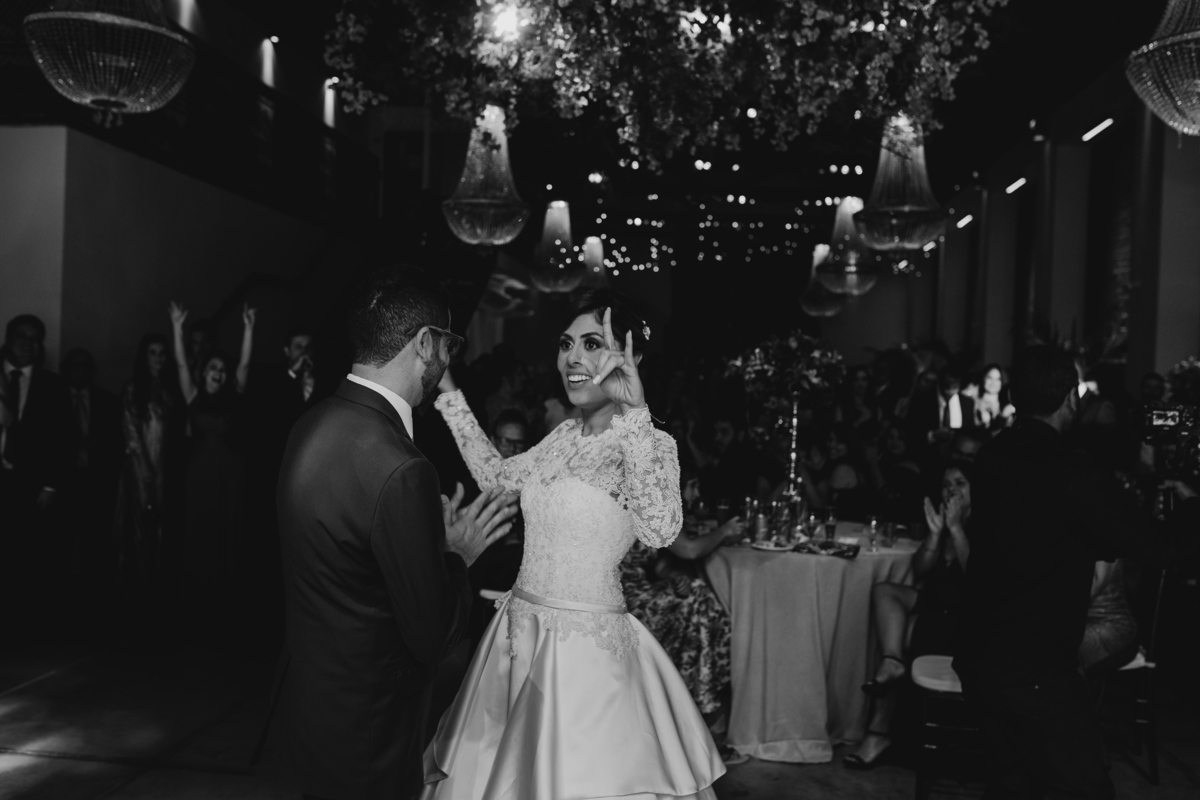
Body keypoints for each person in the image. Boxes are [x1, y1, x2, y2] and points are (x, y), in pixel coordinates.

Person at [424, 289, 724, 800]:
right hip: (518, 637)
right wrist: (447, 390)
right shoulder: (562, 435)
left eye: (593, 344)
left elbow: (661, 529)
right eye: (567, 345)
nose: (574, 359)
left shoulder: (648, 443)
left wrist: (636, 415)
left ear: (632, 359)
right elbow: (497, 475)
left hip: (586, 657)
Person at [256, 267, 517, 800]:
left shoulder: (311, 423)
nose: (448, 360)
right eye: (449, 345)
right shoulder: (402, 467)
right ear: (424, 344)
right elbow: (432, 634)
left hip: (302, 715)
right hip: (367, 737)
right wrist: (456, 555)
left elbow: (345, 568)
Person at [953, 346, 1200, 800]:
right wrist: (1190, 507)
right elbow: (1160, 549)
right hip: (1035, 670)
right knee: (1083, 789)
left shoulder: (992, 456)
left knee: (1013, 786)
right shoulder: (1074, 472)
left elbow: (1041, 533)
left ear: (1011, 394)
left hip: (979, 657)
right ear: (1072, 397)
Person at [845, 463, 972, 770]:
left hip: (967, 617)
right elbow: (920, 570)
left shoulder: (986, 524)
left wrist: (955, 530)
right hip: (936, 606)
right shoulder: (942, 522)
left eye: (960, 483)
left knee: (905, 631)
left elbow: (977, 580)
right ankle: (892, 662)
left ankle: (878, 733)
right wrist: (935, 533)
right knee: (884, 593)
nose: (951, 489)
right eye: (945, 484)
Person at [171, 302, 257, 636]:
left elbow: (246, 363)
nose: (218, 372)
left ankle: (224, 609)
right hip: (200, 474)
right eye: (213, 367)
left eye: (223, 368)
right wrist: (177, 327)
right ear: (204, 371)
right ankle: (196, 608)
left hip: (231, 473)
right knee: (200, 533)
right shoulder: (192, 396)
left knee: (226, 533)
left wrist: (249, 326)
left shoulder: (234, 395)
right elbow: (179, 362)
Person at [0, 314, 73, 631]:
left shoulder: (53, 385)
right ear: (8, 339)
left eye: (35, 338)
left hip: (29, 483)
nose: (28, 343)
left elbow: (63, 440)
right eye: (22, 336)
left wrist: (52, 485)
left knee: (24, 554)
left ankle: (20, 623)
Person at [115, 333, 181, 583]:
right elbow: (130, 430)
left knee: (161, 517)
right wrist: (143, 465)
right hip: (140, 460)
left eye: (162, 353)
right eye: (153, 352)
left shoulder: (169, 387)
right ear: (144, 356)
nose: (159, 358)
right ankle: (138, 579)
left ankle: (156, 576)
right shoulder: (134, 387)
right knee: (140, 516)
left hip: (164, 461)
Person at [61, 348, 122, 580]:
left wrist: (101, 444)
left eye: (86, 366)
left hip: (96, 481)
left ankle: (93, 589)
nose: (81, 371)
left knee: (95, 540)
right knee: (62, 539)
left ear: (93, 371)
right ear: (65, 370)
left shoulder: (107, 400)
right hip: (64, 480)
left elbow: (119, 442)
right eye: (75, 365)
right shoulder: (54, 396)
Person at [974, 363, 1015, 432]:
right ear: (983, 378)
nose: (994, 382)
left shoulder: (1007, 405)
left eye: (998, 379)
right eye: (990, 378)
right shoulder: (974, 402)